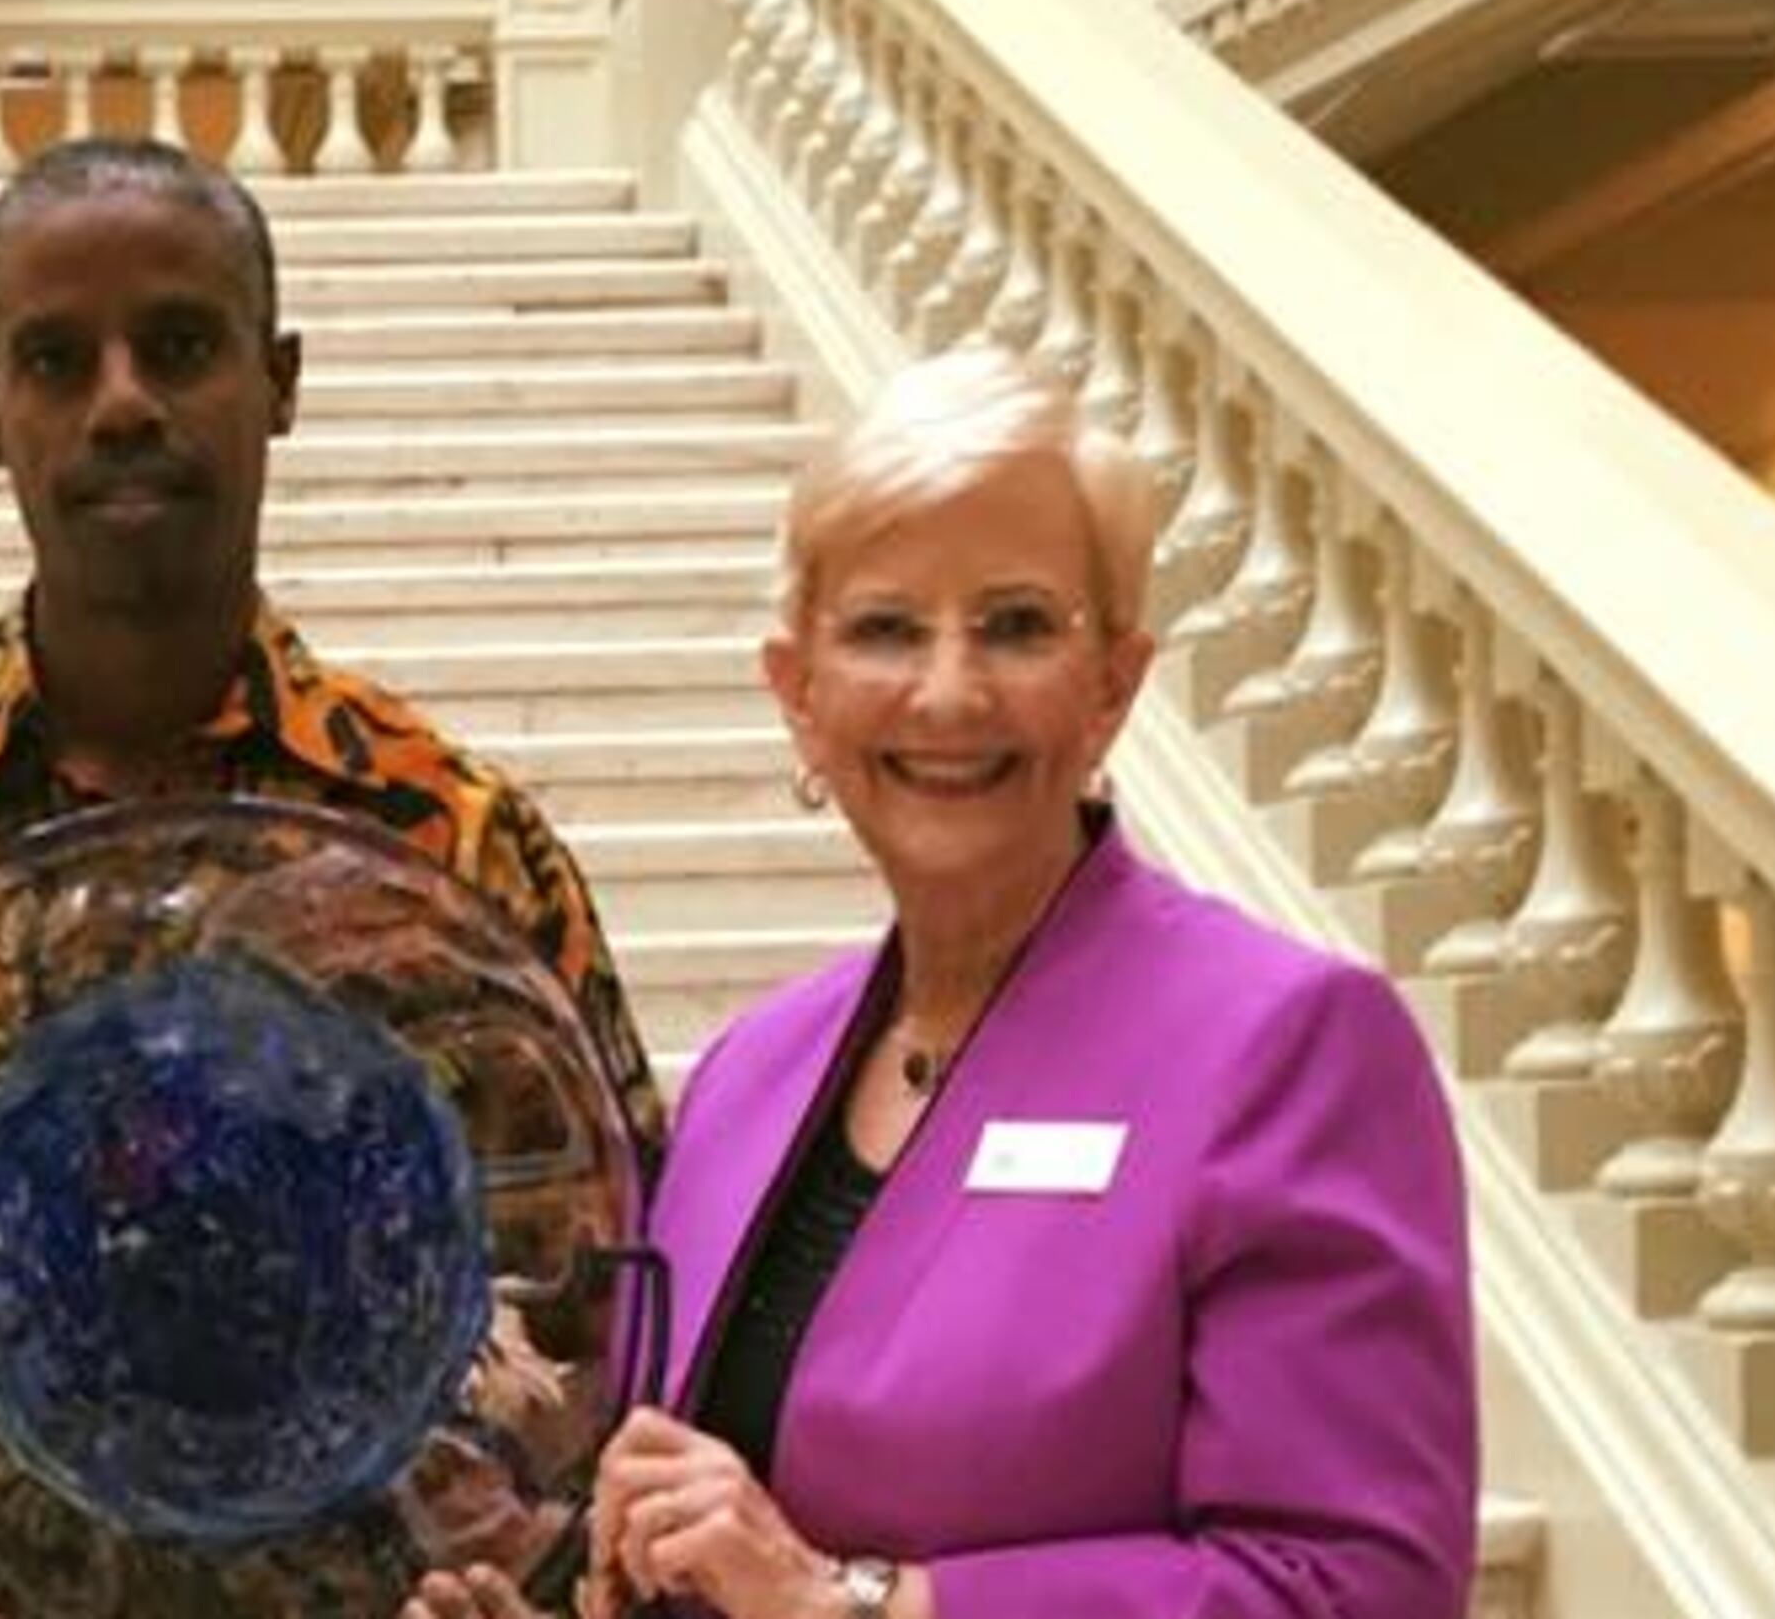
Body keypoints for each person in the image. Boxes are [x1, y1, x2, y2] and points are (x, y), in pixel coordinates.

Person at [0, 136, 674, 1615]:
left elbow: (600, 1284)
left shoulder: (456, 839)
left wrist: (509, 1536)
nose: (122, 404)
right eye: (57, 361)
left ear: (280, 380)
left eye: (180, 346)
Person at [409, 345, 1475, 1619]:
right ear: (799, 695)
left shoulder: (1288, 1048)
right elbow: (710, 1558)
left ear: (1112, 687)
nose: (951, 690)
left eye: (1018, 625)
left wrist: (857, 1603)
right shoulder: (755, 1073)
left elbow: (1357, 1589)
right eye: (885, 630)